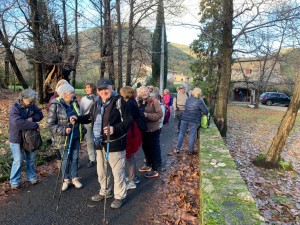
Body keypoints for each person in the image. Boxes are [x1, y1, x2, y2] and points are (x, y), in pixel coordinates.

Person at [71, 78, 133, 209]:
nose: (104, 91)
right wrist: (77, 119)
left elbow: (129, 121)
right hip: (100, 143)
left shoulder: (119, 101)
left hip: (115, 143)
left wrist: (114, 129)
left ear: (112, 88)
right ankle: (105, 191)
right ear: (97, 91)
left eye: (106, 88)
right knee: (102, 171)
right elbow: (89, 117)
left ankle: (119, 196)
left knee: (117, 172)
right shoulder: (96, 103)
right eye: (100, 89)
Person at [46, 83, 86, 191]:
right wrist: (64, 130)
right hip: (63, 138)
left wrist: (75, 119)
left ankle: (74, 178)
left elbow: (79, 116)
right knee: (65, 159)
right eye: (71, 92)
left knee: (75, 157)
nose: (73, 94)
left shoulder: (74, 103)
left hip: (76, 134)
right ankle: (66, 179)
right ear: (64, 94)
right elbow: (49, 124)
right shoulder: (55, 105)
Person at [8, 89, 44, 189]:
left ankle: (31, 176)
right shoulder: (14, 108)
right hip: (16, 137)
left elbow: (40, 114)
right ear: (23, 98)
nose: (32, 103)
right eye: (30, 101)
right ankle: (14, 181)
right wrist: (34, 125)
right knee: (18, 160)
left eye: (33, 101)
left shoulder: (31, 105)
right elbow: (18, 123)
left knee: (31, 158)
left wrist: (32, 118)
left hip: (30, 137)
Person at [173, 88, 208, 155]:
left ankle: (177, 148)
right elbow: (206, 111)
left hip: (184, 118)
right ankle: (190, 150)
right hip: (193, 120)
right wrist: (201, 114)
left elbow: (187, 107)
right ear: (199, 93)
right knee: (192, 135)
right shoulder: (199, 101)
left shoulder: (188, 99)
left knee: (181, 133)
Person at [120, 86, 142, 190]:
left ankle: (132, 180)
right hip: (133, 129)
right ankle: (134, 177)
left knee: (129, 156)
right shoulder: (132, 101)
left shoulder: (129, 103)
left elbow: (129, 118)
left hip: (131, 131)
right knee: (130, 156)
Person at [137, 86, 163, 178]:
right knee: (146, 148)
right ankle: (148, 165)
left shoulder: (154, 101)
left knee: (153, 149)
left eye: (145, 91)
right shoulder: (139, 102)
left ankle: (155, 169)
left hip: (153, 130)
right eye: (141, 91)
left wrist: (147, 115)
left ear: (148, 92)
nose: (143, 93)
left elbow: (160, 114)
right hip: (143, 130)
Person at [47, 79, 69, 169]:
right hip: (58, 127)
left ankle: (69, 166)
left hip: (68, 127)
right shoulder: (54, 99)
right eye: (61, 85)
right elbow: (50, 115)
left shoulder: (71, 97)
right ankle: (61, 167)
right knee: (59, 147)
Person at [80, 82, 97, 168]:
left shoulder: (98, 97)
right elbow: (81, 111)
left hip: (97, 122)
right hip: (87, 122)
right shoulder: (83, 99)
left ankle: (100, 156)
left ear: (93, 88)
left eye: (89, 87)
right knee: (89, 141)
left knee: (97, 140)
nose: (87, 89)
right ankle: (92, 158)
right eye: (86, 88)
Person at [150, 91, 165, 168]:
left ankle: (158, 161)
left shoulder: (160, 105)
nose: (150, 98)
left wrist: (150, 117)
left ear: (156, 98)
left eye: (152, 97)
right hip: (155, 127)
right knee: (154, 144)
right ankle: (154, 160)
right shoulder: (153, 104)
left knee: (156, 144)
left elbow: (160, 118)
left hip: (157, 127)